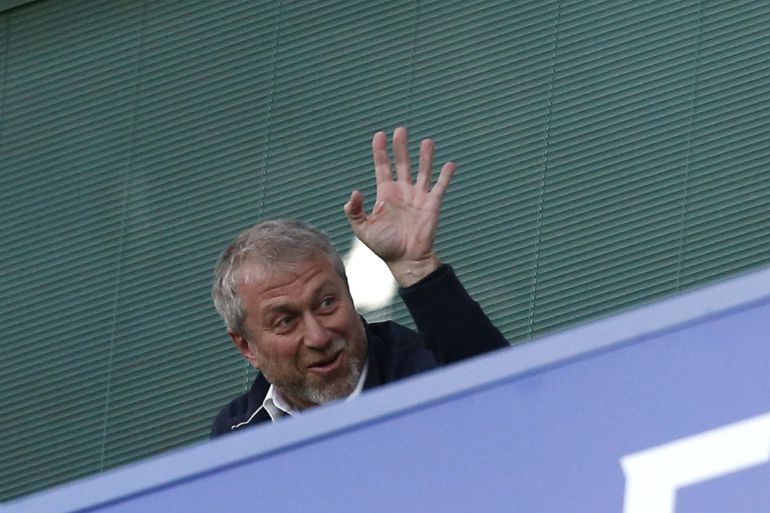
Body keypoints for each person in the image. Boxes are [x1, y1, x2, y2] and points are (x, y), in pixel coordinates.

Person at [210, 127, 508, 437]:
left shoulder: (428, 373)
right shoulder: (237, 433)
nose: (318, 337)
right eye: (285, 321)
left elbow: (507, 400)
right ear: (246, 345)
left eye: (327, 303)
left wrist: (416, 267)